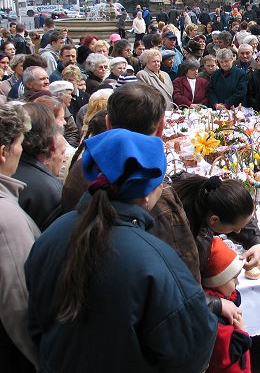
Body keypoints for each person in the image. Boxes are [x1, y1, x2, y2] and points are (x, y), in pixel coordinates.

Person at [25, 129, 217, 372]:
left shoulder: (51, 235)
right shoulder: (154, 257)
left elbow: (36, 320)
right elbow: (191, 349)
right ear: (148, 194)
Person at [0, 103, 40, 372]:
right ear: (3, 152)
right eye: (19, 144)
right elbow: (20, 303)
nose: (21, 151)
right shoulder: (7, 221)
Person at [13, 103, 66, 231]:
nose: (64, 158)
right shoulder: (50, 191)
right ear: (53, 144)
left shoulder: (7, 169)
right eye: (63, 153)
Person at [202, 237, 252, 373]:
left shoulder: (225, 300)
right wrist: (241, 333)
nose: (238, 283)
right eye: (234, 278)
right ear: (217, 281)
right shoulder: (216, 319)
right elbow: (223, 358)